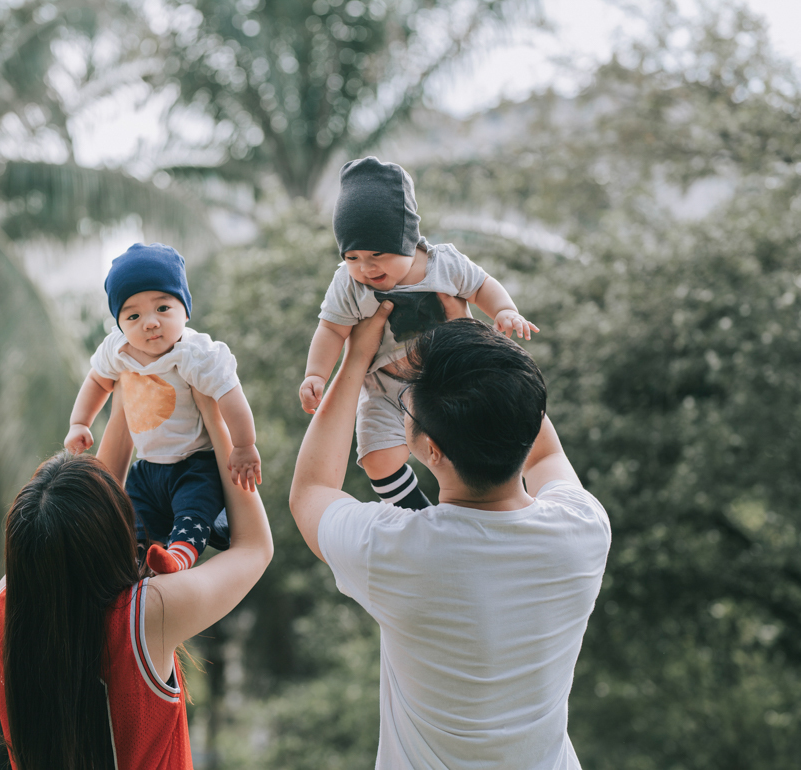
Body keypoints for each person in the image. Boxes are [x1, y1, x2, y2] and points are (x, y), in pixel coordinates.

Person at [289, 306, 611, 769]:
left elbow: (311, 493)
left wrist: (357, 357)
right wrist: (480, 348)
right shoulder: (582, 529)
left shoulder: (398, 551)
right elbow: (544, 454)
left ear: (432, 450)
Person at [0, 392, 273, 770]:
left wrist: (126, 395)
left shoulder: (5, 604)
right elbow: (254, 548)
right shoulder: (142, 617)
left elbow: (72, 540)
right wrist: (216, 421)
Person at [300, 156, 539, 510]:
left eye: (378, 254)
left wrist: (505, 311)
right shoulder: (347, 285)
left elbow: (482, 286)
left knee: (484, 435)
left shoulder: (445, 263)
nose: (366, 267)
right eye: (352, 257)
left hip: (447, 377)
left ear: (409, 240)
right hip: (384, 388)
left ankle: (501, 501)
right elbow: (331, 330)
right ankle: (416, 512)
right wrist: (315, 374)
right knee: (377, 459)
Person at [64, 242, 262, 574]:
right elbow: (97, 382)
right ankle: (139, 557)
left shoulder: (195, 354)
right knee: (133, 515)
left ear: (185, 310)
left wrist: (244, 445)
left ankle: (178, 556)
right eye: (134, 315)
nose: (150, 323)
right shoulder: (118, 350)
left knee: (193, 514)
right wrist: (79, 423)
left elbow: (230, 395)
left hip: (194, 464)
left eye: (163, 308)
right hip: (147, 467)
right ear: (119, 323)